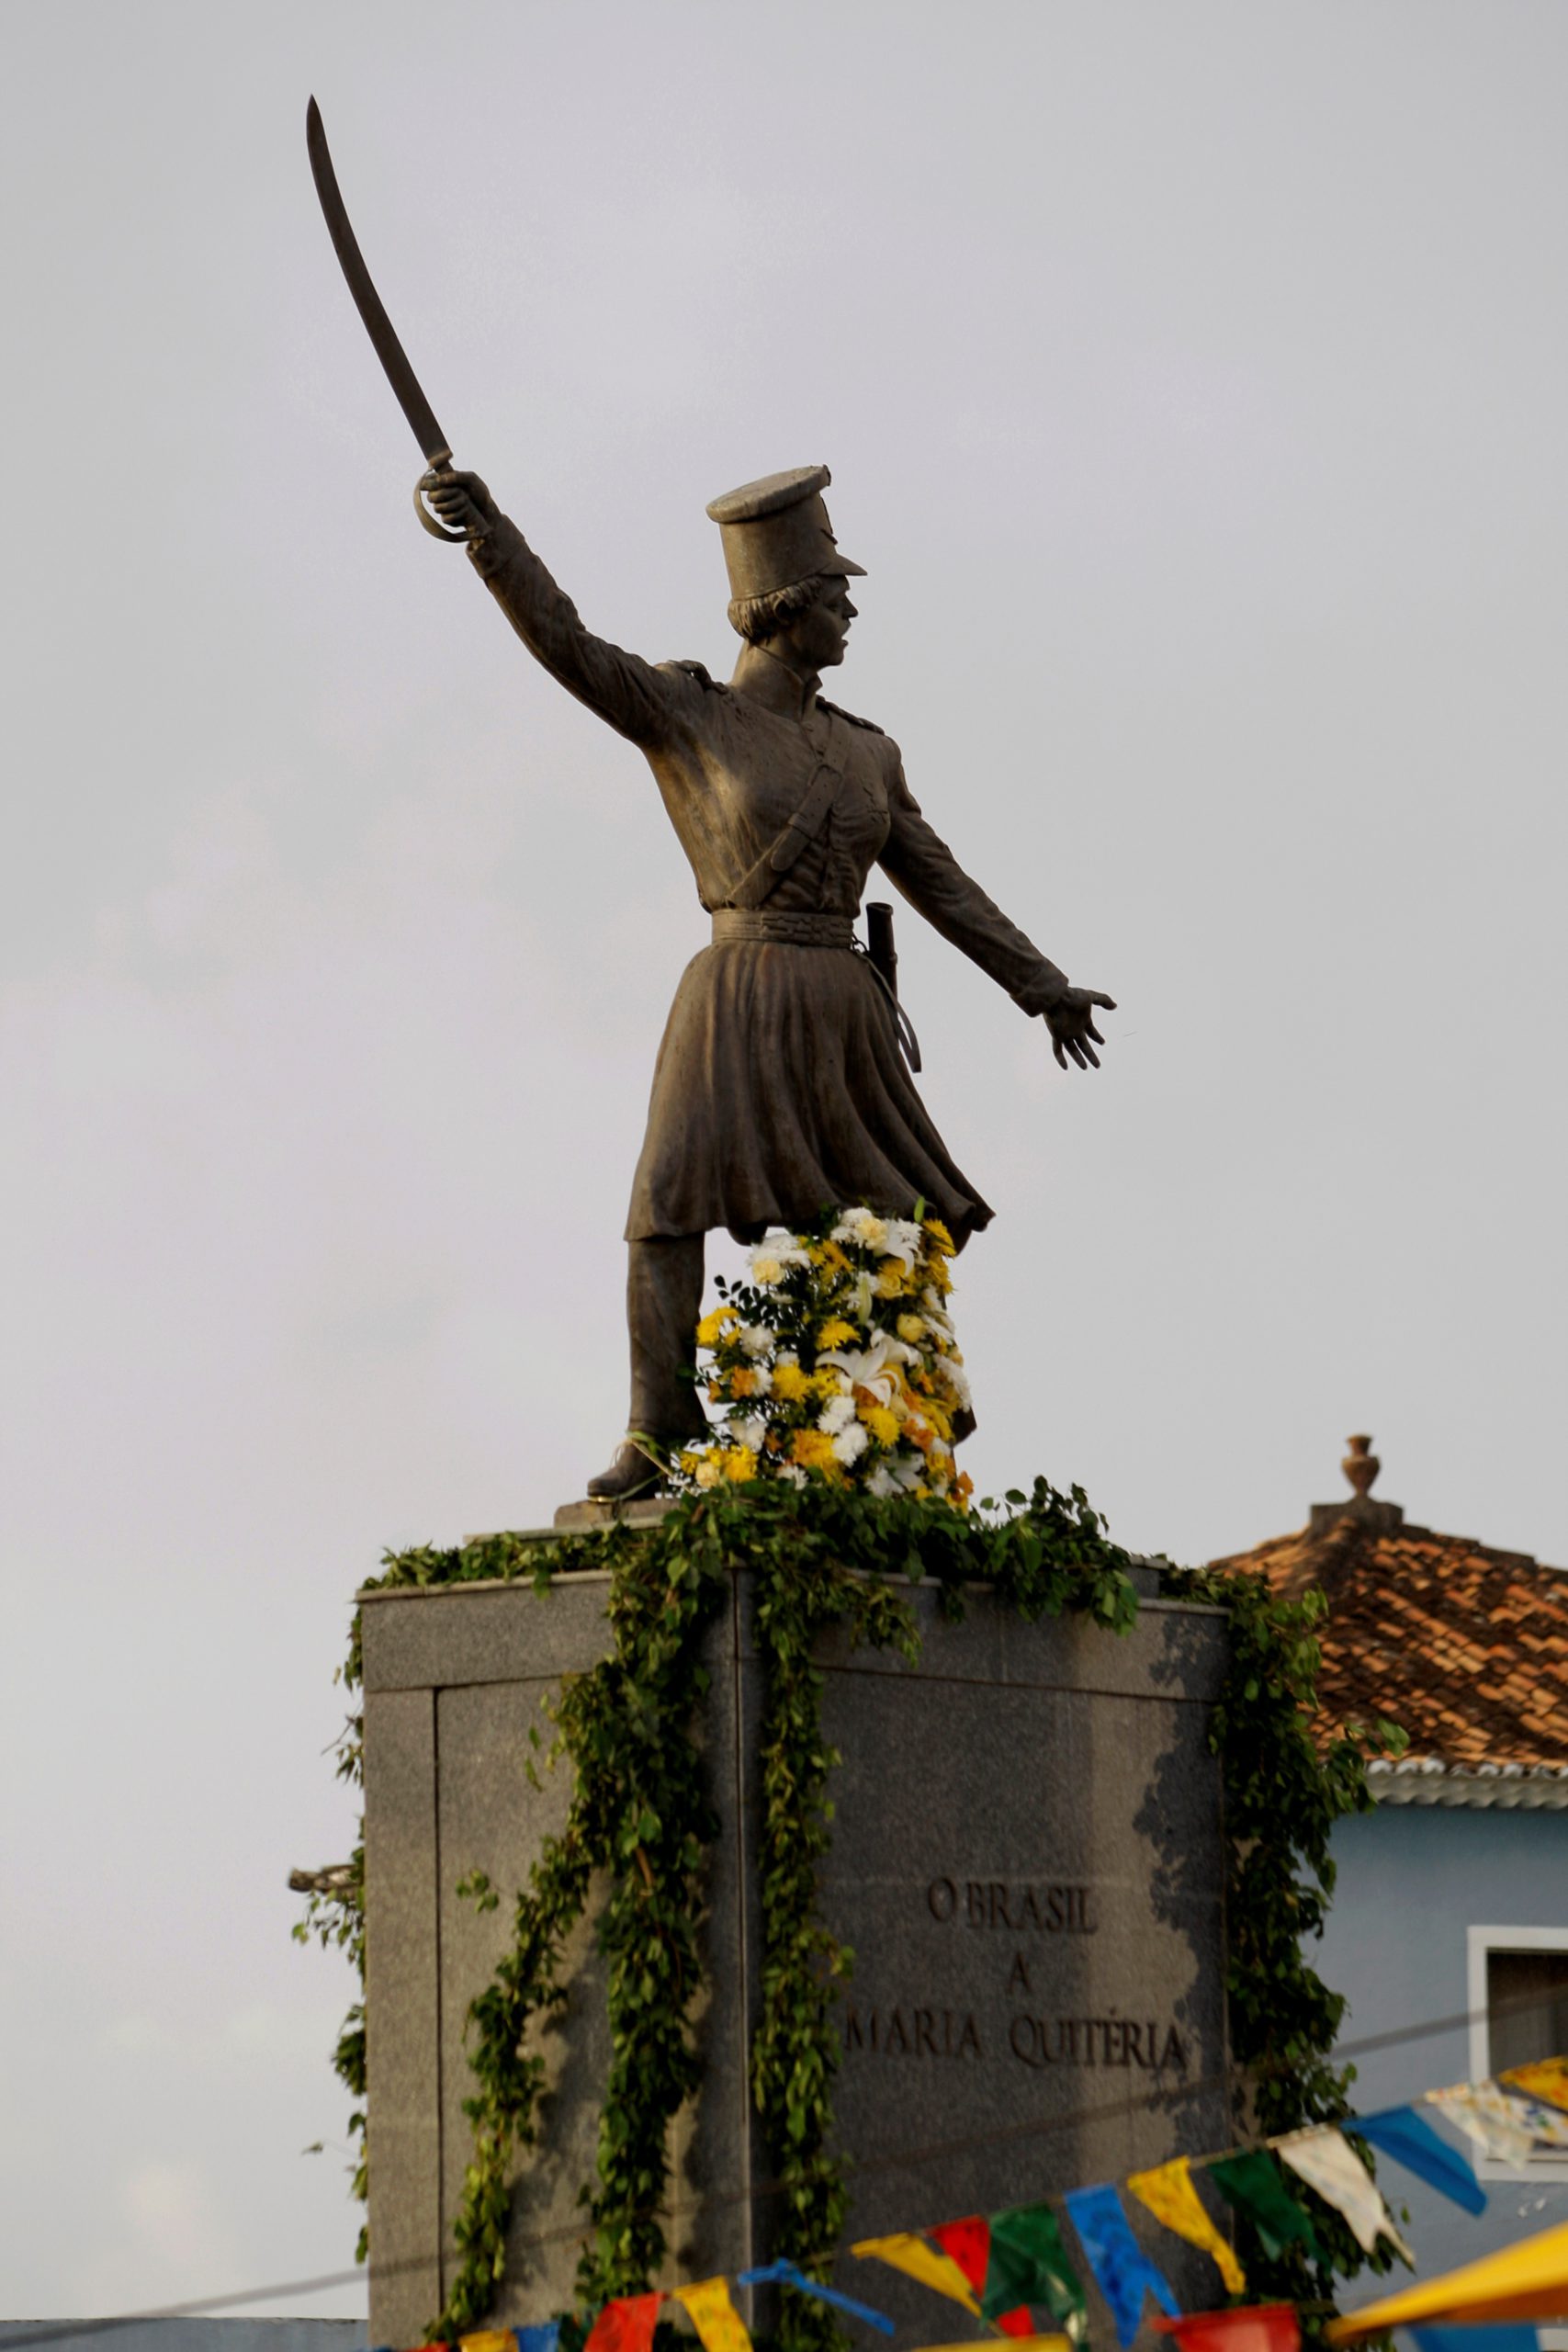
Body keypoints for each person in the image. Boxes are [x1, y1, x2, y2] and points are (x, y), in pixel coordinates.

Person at [423, 463, 1114, 1500]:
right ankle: (657, 1427)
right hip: (735, 991)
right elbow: (565, 643)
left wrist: (1040, 983)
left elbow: (938, 878)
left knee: (886, 1218)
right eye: (837, 592)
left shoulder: (867, 752)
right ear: (784, 606)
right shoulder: (686, 712)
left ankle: (886, 1431)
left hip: (842, 1000)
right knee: (666, 1201)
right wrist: (492, 538)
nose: (852, 611)